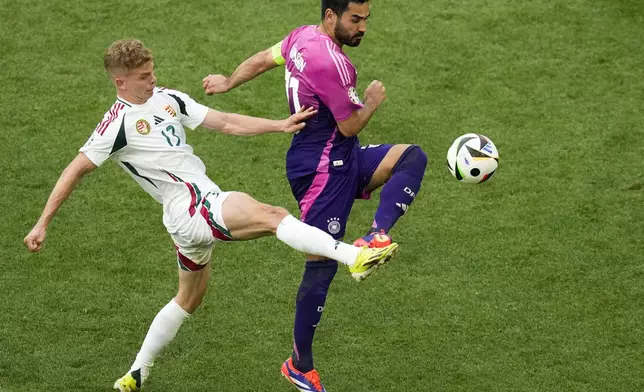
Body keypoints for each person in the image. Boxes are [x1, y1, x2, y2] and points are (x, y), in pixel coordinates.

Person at [23, 38, 399, 392]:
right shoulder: (115, 124)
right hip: (193, 205)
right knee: (271, 215)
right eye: (142, 77)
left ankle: (137, 371)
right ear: (120, 82)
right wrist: (42, 222)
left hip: (184, 221)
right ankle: (355, 256)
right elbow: (74, 169)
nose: (152, 79)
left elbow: (225, 122)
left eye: (152, 71)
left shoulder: (168, 98)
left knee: (189, 298)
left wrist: (278, 125)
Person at [202, 1, 428, 390]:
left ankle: (377, 234)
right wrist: (372, 101)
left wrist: (228, 81)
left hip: (338, 157)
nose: (362, 28)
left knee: (411, 158)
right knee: (320, 261)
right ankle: (299, 365)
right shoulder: (332, 64)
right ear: (330, 16)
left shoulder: (300, 38)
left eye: (365, 21)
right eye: (355, 20)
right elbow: (348, 126)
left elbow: (262, 59)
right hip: (323, 166)